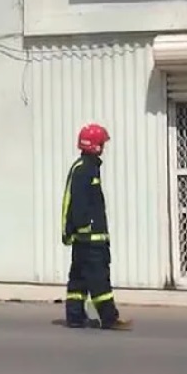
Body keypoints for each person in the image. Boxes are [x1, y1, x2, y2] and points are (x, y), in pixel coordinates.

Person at [61, 123, 131, 330]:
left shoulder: (84, 167)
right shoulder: (85, 169)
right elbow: (77, 203)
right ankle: (109, 318)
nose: (104, 147)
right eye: (102, 143)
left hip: (84, 238)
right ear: (95, 146)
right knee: (99, 278)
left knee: (79, 280)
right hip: (91, 239)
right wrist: (86, 229)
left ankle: (75, 317)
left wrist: (73, 232)